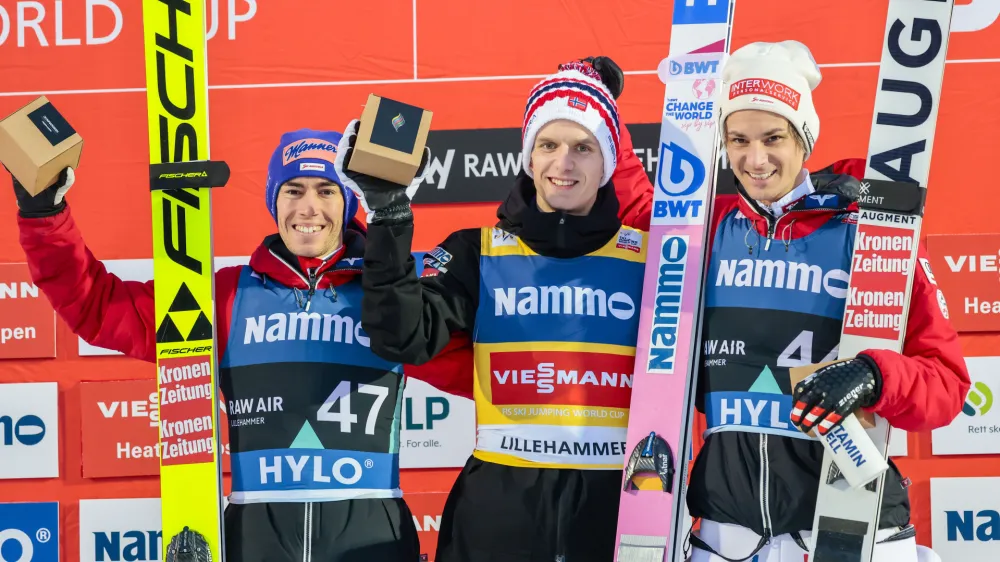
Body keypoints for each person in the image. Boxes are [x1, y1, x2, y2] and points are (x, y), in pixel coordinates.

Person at [9, 129, 426, 561]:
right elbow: (97, 307)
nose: (309, 208)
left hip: (372, 536)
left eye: (326, 191)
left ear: (349, 201)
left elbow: (467, 364)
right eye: (293, 190)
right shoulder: (226, 296)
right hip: (256, 539)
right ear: (273, 200)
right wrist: (45, 215)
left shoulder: (388, 299)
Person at [334, 57, 653, 562]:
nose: (563, 164)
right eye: (547, 145)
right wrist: (389, 213)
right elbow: (402, 337)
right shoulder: (478, 252)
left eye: (583, 148)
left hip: (619, 512)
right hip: (502, 515)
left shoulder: (652, 259)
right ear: (528, 157)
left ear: (608, 161)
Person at [679, 40, 969, 561]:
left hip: (849, 528)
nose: (755, 158)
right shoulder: (705, 230)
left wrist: (874, 375)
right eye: (738, 139)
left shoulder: (865, 231)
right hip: (728, 539)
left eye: (774, 138)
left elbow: (946, 386)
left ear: (804, 138)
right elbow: (607, 202)